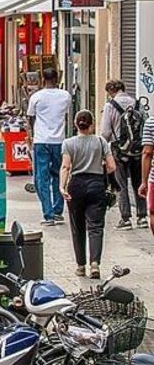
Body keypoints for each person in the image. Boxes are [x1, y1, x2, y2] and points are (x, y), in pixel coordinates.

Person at [60, 110, 117, 279]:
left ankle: (80, 265)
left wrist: (62, 187)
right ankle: (95, 264)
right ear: (92, 124)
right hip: (96, 184)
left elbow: (66, 167)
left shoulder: (68, 143)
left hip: (76, 185)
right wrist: (101, 171)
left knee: (77, 227)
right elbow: (112, 166)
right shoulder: (101, 142)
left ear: (76, 124)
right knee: (96, 226)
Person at [27, 67, 72, 227]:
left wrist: (31, 136)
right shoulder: (65, 96)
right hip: (59, 140)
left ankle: (48, 214)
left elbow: (31, 118)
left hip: (41, 140)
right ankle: (58, 211)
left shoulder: (36, 97)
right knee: (59, 175)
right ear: (57, 77)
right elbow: (65, 114)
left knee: (41, 178)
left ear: (42, 78)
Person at [100, 79, 147, 230]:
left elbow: (106, 132)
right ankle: (142, 217)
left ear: (110, 92)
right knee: (138, 182)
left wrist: (103, 151)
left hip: (119, 151)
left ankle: (125, 218)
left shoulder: (110, 106)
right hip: (138, 151)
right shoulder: (137, 103)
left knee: (121, 184)